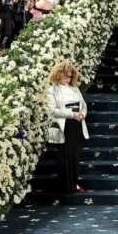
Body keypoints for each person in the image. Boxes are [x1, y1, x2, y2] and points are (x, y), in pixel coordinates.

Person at [46, 61, 88, 194]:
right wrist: (72, 114)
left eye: (70, 76)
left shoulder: (75, 89)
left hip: (77, 124)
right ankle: (66, 186)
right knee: (65, 156)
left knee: (75, 156)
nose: (68, 79)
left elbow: (83, 105)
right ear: (58, 75)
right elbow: (53, 110)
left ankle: (74, 184)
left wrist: (82, 114)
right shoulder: (52, 90)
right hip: (64, 125)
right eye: (65, 76)